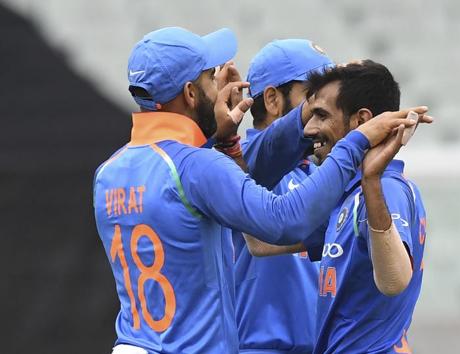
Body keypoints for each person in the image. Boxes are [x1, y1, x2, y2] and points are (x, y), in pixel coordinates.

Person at [93, 27, 423, 354]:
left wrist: (225, 141)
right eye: (211, 77)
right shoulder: (199, 167)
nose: (221, 84)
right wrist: (357, 142)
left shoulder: (109, 171)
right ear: (192, 94)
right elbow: (282, 220)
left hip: (137, 343)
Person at [245, 60, 431, 353]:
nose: (309, 129)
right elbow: (260, 242)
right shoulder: (348, 196)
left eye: (321, 115)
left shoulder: (386, 188)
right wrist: (230, 151)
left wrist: (370, 180)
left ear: (361, 121)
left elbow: (395, 280)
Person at [232, 39, 333, 354]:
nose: (326, 109)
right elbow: (268, 152)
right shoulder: (239, 162)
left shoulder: (318, 170)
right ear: (273, 99)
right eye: (313, 97)